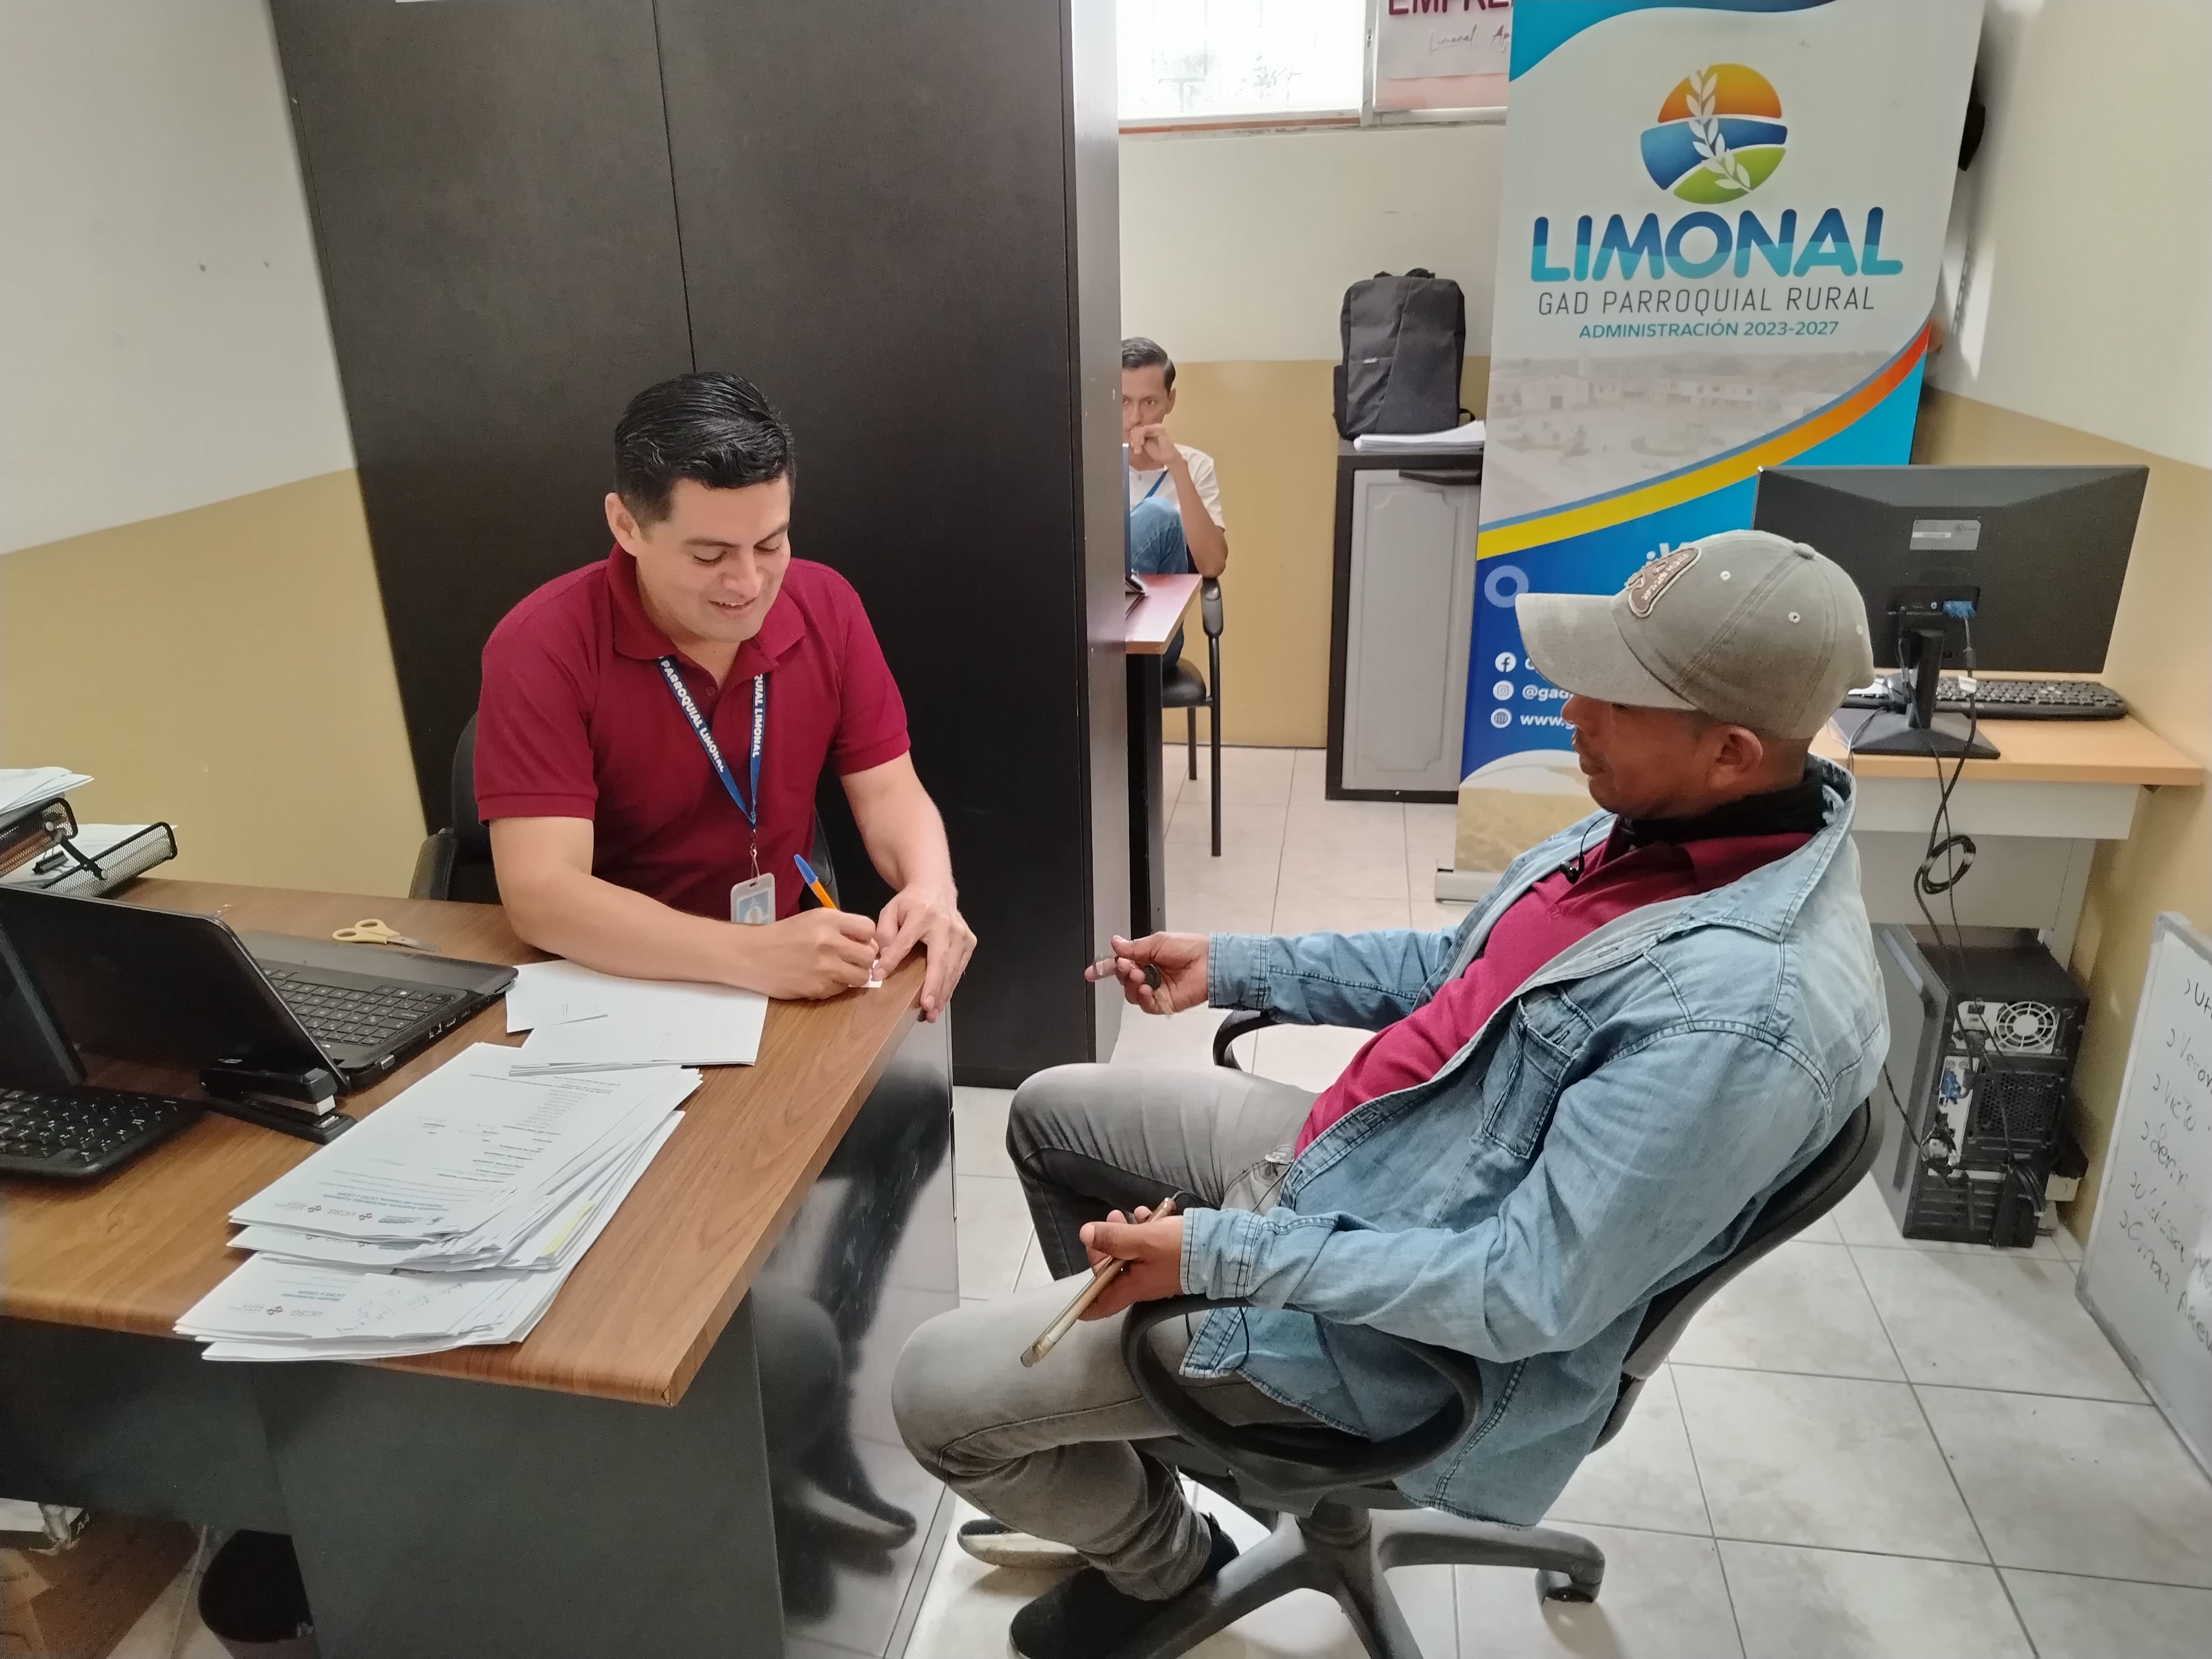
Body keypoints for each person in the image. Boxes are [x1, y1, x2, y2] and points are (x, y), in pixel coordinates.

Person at [893, 531, 1886, 1659]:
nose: (1572, 713)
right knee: (1052, 1115)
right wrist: (1233, 965)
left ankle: (1161, 1558)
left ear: (1731, 752)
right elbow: (1462, 969)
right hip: (1371, 1162)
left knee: (934, 1396)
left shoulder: (1741, 1019)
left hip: (1403, 1343)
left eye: (1614, 701)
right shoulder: (1671, 824)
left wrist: (1219, 1255)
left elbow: (1523, 1292)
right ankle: (1120, 1444)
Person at [474, 370, 975, 1019]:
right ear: (626, 525)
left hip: (783, 966)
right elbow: (542, 895)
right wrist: (750, 955)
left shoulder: (826, 605)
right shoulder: (541, 644)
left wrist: (932, 887)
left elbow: (887, 790)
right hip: (614, 979)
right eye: (709, 556)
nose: (748, 583)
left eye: (770, 544)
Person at [1121, 337, 1227, 670]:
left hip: (1155, 641)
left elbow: (1212, 566)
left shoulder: (1194, 466)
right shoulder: (1084, 465)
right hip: (1092, 635)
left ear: (1171, 401)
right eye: (1123, 401)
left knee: (1160, 514)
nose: (1134, 418)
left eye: (1149, 402)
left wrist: (1176, 467)